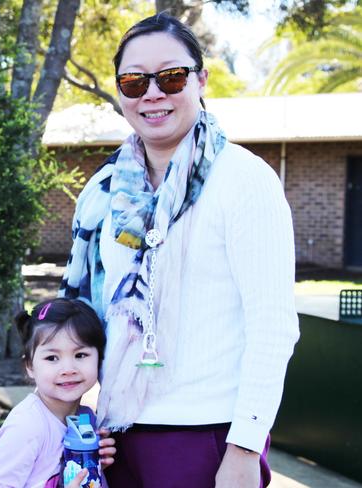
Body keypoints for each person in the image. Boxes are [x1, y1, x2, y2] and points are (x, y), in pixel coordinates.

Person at [59, 12, 300, 488]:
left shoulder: (245, 180)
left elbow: (273, 328)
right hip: (116, 437)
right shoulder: (107, 191)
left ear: (201, 79)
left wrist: (245, 447)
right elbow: (92, 315)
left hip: (206, 437)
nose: (152, 93)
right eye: (134, 81)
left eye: (170, 77)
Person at [0, 298, 116, 488]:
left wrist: (94, 465)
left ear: (99, 358)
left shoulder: (86, 418)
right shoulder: (27, 426)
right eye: (52, 358)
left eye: (80, 355)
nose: (68, 369)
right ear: (30, 366)